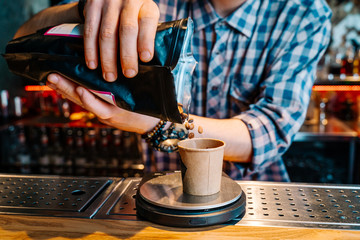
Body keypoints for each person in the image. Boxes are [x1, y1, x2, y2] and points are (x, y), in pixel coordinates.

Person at [14, 0, 332, 181]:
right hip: (160, 193)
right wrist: (88, 9)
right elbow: (18, 41)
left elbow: (269, 131)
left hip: (256, 200)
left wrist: (152, 123)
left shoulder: (303, 12)